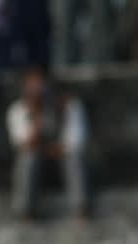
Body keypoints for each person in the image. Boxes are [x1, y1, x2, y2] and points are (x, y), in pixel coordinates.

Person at [7, 67, 88, 220]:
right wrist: (36, 117)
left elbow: (75, 143)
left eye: (39, 83)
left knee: (74, 159)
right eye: (31, 85)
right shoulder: (17, 110)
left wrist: (60, 114)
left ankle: (80, 211)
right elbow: (23, 145)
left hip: (62, 161)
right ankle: (24, 213)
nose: (37, 89)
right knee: (28, 160)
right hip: (37, 164)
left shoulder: (69, 106)